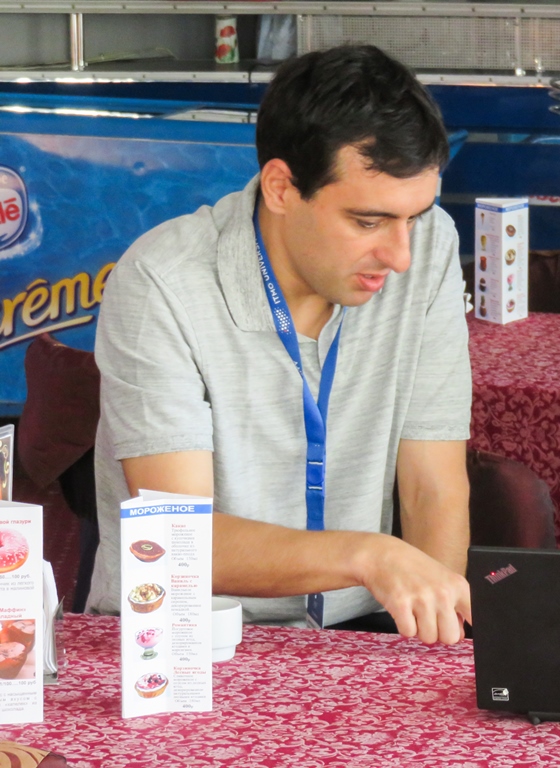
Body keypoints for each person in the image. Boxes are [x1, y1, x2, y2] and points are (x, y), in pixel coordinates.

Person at [86, 44, 473, 645]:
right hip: (184, 637)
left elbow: (433, 486)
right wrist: (368, 555)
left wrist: (433, 643)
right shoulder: (162, 281)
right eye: (368, 222)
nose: (399, 256)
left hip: (360, 632)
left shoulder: (428, 247)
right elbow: (177, 538)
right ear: (281, 188)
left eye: (415, 216)